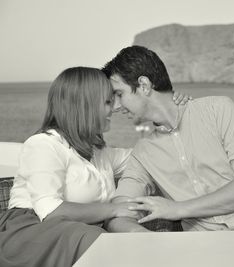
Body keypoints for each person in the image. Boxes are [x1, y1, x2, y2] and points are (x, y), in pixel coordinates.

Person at [0, 67, 189, 267]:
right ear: (84, 104)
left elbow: (149, 155)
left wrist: (169, 114)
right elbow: (50, 211)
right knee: (101, 241)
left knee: (107, 241)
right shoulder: (43, 145)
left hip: (78, 234)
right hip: (31, 233)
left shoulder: (99, 153)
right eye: (108, 101)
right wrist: (114, 209)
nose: (115, 108)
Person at [103, 45, 234, 232]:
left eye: (120, 94)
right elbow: (120, 212)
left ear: (144, 86)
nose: (116, 107)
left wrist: (178, 209)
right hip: (203, 251)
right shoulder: (143, 153)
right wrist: (145, 239)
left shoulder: (218, 110)